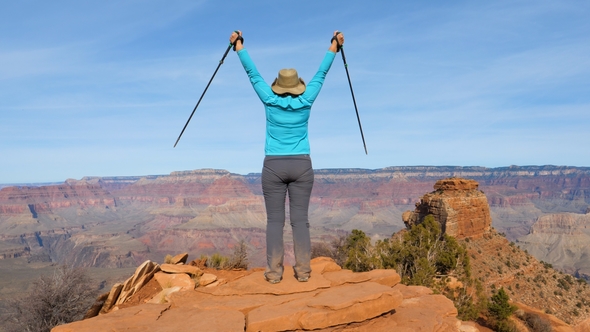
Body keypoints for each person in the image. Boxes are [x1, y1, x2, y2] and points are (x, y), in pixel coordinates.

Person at [230, 30, 344, 284]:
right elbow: (321, 73)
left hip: (273, 166)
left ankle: (273, 274)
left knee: (275, 222)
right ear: (297, 85)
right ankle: (303, 272)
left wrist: (239, 46)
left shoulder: (270, 100)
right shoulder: (307, 100)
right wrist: (334, 45)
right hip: (302, 165)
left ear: (279, 85)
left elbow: (253, 74)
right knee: (300, 221)